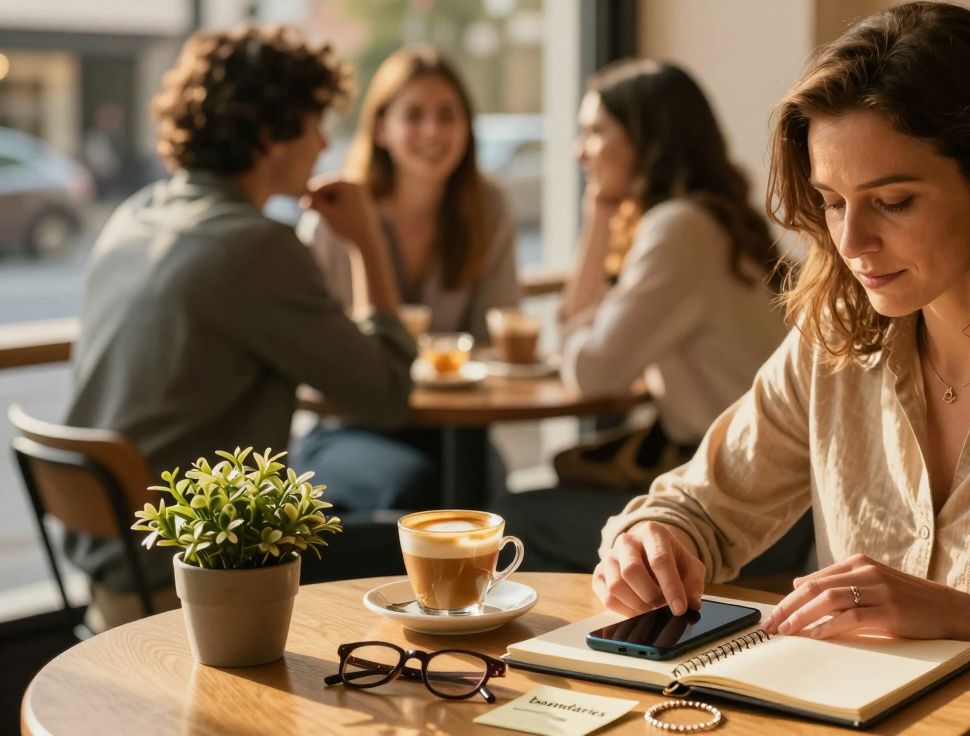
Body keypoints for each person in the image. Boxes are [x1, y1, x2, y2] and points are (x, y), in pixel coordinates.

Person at [590, 4, 970, 735]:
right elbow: (697, 509)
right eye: (831, 203)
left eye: (893, 201)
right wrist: (652, 541)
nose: (852, 241)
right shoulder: (835, 348)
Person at [64, 25, 414, 630]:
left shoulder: (136, 215)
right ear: (269, 133)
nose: (323, 143)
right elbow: (386, 395)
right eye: (312, 123)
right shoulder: (253, 246)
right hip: (194, 577)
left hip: (111, 564)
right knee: (427, 541)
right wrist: (367, 244)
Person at [497, 60, 792, 573]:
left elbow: (589, 372)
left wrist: (595, 227)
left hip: (740, 514)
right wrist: (600, 218)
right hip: (761, 500)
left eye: (594, 131)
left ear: (646, 137)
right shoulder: (711, 217)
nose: (578, 150)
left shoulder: (678, 229)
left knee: (507, 520)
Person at [296, 46, 520, 512]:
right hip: (346, 425)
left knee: (487, 486)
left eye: (447, 114)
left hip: (452, 425)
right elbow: (315, 357)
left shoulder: (487, 208)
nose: (433, 131)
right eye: (413, 115)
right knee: (417, 486)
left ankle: (474, 588)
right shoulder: (335, 216)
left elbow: (492, 334)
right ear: (380, 128)